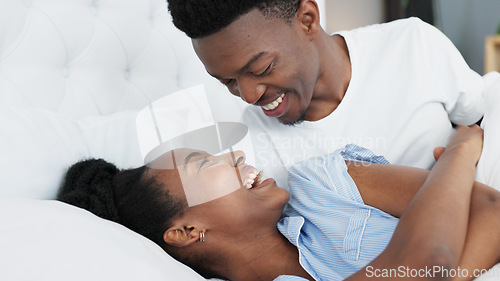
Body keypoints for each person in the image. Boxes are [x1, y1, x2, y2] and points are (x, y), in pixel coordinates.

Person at [57, 124, 500, 281]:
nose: (236, 155)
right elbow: (428, 263)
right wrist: (459, 154)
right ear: (189, 232)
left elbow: (493, 211)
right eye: (203, 163)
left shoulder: (322, 182)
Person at [165, 0, 500, 189]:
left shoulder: (413, 45)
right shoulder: (253, 145)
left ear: (308, 20)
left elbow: (482, 117)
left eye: (263, 68)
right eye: (228, 82)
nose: (249, 95)